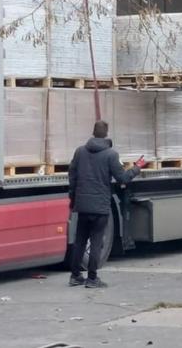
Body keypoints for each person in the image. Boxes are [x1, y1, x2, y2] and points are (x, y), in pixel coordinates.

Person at [67, 120, 146, 288]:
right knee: (96, 242)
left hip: (82, 204)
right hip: (100, 206)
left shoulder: (80, 152)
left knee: (80, 240)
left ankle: (75, 275)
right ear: (106, 134)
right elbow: (123, 178)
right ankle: (92, 278)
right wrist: (137, 167)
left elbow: (72, 176)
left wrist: (73, 198)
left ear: (93, 132)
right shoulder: (111, 155)